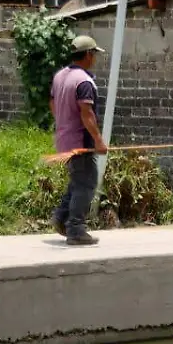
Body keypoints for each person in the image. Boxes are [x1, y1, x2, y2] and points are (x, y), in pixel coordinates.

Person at [50, 35, 108, 246]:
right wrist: (98, 141)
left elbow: (52, 104)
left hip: (64, 140)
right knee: (87, 183)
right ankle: (75, 229)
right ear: (88, 54)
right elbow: (87, 114)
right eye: (93, 54)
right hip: (79, 142)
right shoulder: (83, 81)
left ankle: (61, 218)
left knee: (78, 181)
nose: (94, 59)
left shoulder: (60, 76)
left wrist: (64, 123)